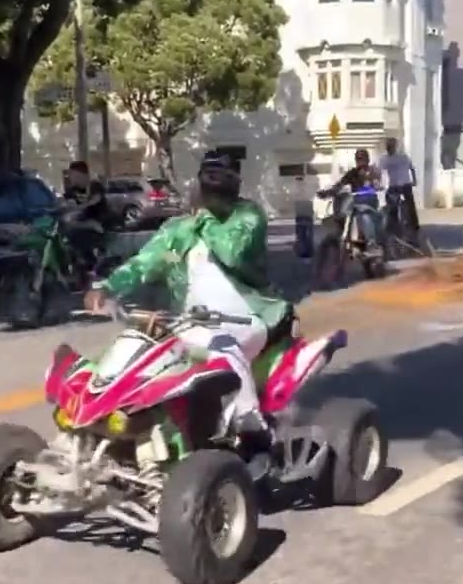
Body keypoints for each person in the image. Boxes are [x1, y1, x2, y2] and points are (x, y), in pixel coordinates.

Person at [83, 152, 290, 443]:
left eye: (221, 177)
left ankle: (250, 425)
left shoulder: (248, 215)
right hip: (186, 322)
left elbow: (234, 252)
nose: (211, 185)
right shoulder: (177, 229)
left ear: (235, 183)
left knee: (221, 349)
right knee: (132, 356)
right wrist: (108, 287)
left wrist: (203, 217)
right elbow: (146, 262)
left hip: (246, 318)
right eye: (208, 177)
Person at [318, 148, 382, 249]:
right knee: (342, 214)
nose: (360, 161)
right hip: (356, 202)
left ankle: (371, 242)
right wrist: (327, 193)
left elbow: (377, 182)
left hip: (369, 202)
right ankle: (342, 236)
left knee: (364, 215)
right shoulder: (352, 173)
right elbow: (340, 184)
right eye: (358, 159)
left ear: (367, 159)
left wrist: (374, 184)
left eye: (362, 158)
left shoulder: (373, 170)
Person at [378, 137, 421, 236]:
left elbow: (412, 168)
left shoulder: (403, 157)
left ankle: (414, 225)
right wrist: (380, 183)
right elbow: (379, 172)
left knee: (410, 205)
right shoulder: (385, 158)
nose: (389, 148)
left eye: (391, 146)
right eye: (388, 146)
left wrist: (414, 180)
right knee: (392, 203)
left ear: (394, 146)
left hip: (405, 184)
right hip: (394, 186)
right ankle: (394, 225)